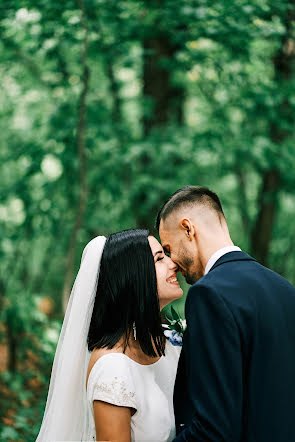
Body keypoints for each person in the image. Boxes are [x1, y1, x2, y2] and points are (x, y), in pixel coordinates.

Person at [157, 185, 295, 442]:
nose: (172, 262)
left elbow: (215, 428)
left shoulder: (208, 295)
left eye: (168, 248)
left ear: (188, 229)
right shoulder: (285, 289)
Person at [36, 229, 183, 442]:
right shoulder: (113, 369)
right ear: (133, 276)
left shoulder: (170, 343)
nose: (173, 264)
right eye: (159, 259)